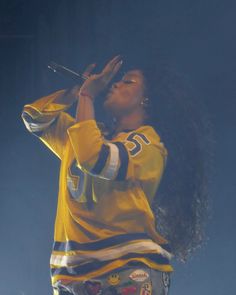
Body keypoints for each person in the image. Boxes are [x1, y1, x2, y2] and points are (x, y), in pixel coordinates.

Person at [21, 55, 173, 295]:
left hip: (128, 270)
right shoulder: (88, 134)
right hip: (73, 276)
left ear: (146, 100)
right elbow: (34, 118)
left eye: (128, 82)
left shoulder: (149, 143)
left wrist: (87, 96)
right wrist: (72, 94)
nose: (115, 84)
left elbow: (94, 158)